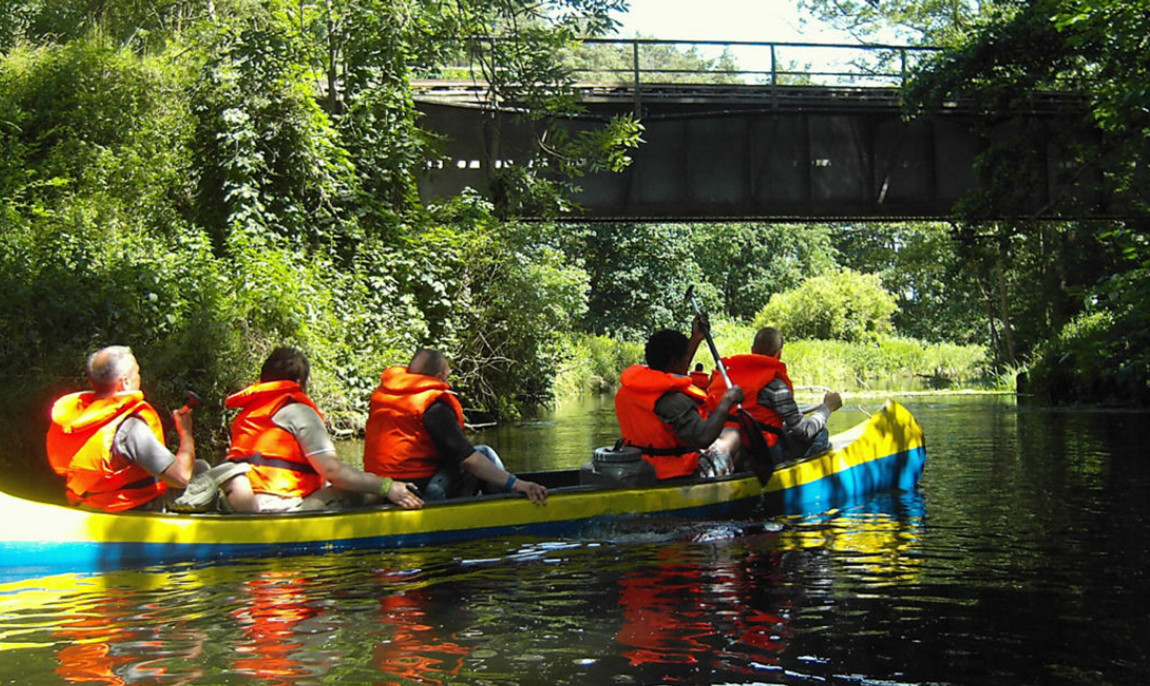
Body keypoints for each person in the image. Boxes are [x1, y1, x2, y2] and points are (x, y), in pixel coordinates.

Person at [218, 347, 424, 513]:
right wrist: (388, 486)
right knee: (372, 492)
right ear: (300, 382)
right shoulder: (298, 411)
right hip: (282, 506)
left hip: (247, 501)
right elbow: (332, 471)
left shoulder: (249, 412)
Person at [363, 349, 548, 505]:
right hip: (419, 494)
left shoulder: (385, 397)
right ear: (439, 376)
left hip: (380, 490)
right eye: (447, 377)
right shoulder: (433, 407)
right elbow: (468, 459)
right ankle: (511, 503)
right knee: (483, 453)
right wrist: (516, 483)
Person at [46, 345, 203, 512]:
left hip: (86, 503)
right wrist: (186, 433)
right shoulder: (130, 426)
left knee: (198, 466)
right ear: (126, 381)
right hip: (129, 508)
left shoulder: (79, 419)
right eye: (137, 372)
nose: (139, 377)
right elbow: (180, 477)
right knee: (206, 473)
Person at [614, 316, 745, 480]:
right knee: (733, 433)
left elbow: (674, 371)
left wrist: (696, 338)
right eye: (685, 359)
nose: (687, 364)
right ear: (675, 362)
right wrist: (727, 401)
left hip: (638, 467)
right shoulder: (674, 401)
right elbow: (703, 438)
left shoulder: (629, 389)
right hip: (677, 473)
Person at [707, 326, 842, 463]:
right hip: (760, 455)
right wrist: (827, 408)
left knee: (785, 429)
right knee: (820, 433)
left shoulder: (724, 377)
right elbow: (805, 431)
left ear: (752, 350)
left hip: (727, 448)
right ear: (779, 354)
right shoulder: (775, 385)